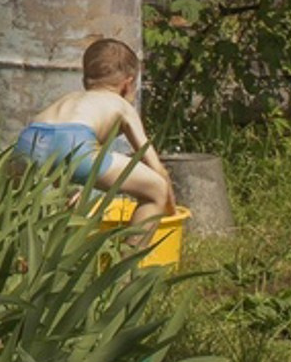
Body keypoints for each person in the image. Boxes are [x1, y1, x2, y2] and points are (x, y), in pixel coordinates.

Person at [13, 38, 176, 231]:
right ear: (128, 84)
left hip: (28, 140)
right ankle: (128, 258)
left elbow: (55, 149)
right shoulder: (122, 105)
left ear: (85, 80)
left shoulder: (69, 99)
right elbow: (157, 168)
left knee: (47, 203)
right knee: (157, 189)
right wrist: (170, 209)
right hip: (73, 142)